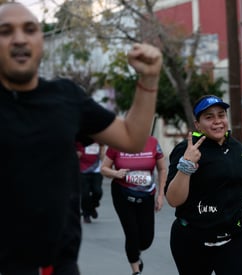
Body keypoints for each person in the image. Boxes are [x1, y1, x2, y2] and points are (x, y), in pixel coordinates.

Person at [0, 2, 162, 274]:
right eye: (5, 31)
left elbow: (132, 138)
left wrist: (149, 79)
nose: (19, 38)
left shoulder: (66, 97)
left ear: (42, 41)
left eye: (30, 29)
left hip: (59, 265)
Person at [165, 95, 242, 275]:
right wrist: (186, 167)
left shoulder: (237, 149)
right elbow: (173, 199)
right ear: (197, 124)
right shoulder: (186, 150)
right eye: (209, 117)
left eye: (221, 115)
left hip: (234, 238)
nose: (217, 121)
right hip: (192, 240)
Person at [100, 136, 167, 275]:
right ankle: (136, 270)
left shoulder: (153, 142)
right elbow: (104, 169)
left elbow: (162, 169)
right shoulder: (117, 143)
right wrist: (116, 173)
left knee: (146, 240)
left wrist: (160, 195)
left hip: (147, 195)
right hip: (122, 194)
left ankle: (135, 252)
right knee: (132, 234)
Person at [76, 140, 105, 223]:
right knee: (85, 194)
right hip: (82, 170)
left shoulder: (97, 135)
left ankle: (92, 207)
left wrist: (103, 158)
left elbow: (102, 146)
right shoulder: (79, 137)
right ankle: (86, 214)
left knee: (98, 191)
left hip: (96, 169)